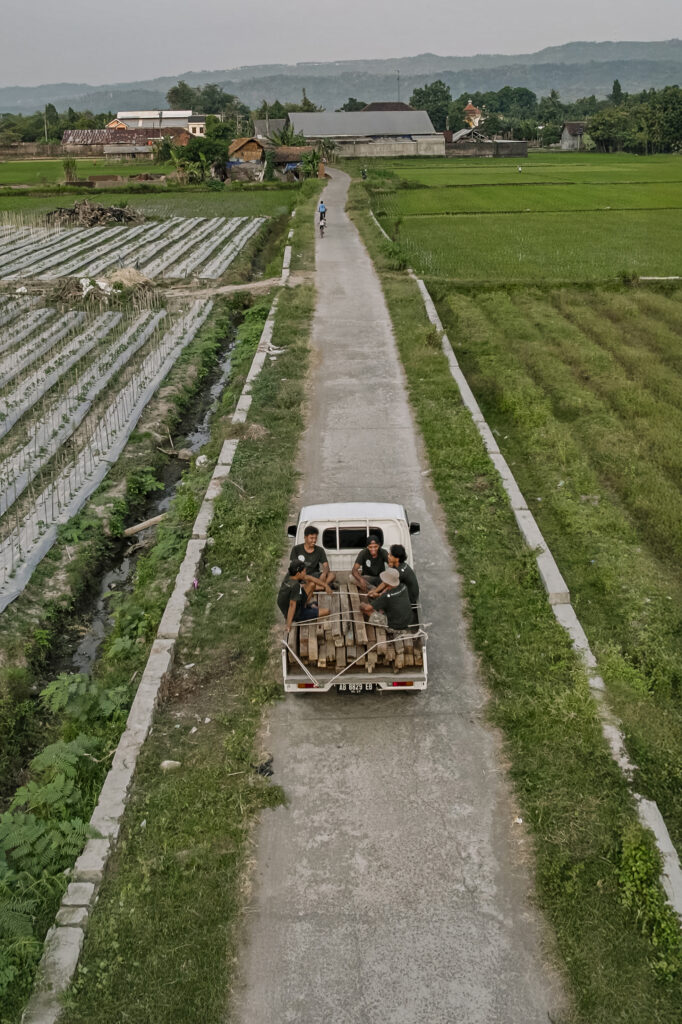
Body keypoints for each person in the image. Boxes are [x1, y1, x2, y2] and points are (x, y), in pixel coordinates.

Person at [278, 562, 331, 632]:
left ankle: (305, 606)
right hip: (296, 613)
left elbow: (310, 578)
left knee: (312, 584)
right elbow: (292, 605)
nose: (305, 572)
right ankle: (301, 613)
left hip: (290, 605)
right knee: (327, 611)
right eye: (304, 571)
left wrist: (326, 585)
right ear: (298, 574)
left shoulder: (290, 575)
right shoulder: (295, 585)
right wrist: (288, 625)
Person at [290, 524, 336, 600]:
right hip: (302, 577)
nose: (314, 540)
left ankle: (318, 587)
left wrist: (324, 573)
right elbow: (293, 568)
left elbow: (326, 566)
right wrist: (302, 576)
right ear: (305, 538)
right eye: (311, 538)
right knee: (296, 584)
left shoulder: (320, 550)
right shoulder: (296, 549)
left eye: (315, 538)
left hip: (315, 575)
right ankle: (321, 587)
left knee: (332, 575)